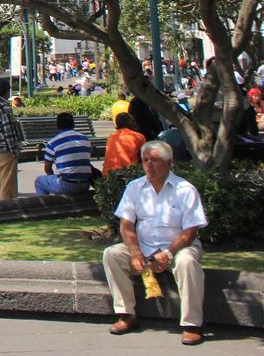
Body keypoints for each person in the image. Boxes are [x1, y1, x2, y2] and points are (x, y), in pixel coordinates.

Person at [102, 140, 207, 346]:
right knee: (112, 254)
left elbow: (190, 231)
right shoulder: (135, 187)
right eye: (145, 160)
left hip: (178, 247)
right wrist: (134, 252)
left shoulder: (185, 189)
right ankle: (126, 314)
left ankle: (192, 325)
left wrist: (168, 253)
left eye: (155, 160)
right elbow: (126, 225)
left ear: (169, 163)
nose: (149, 165)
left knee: (187, 261)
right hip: (144, 247)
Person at [34, 112, 92, 195]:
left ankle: (44, 207)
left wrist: (52, 177)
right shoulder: (86, 140)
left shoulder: (53, 142)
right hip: (86, 184)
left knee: (39, 181)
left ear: (57, 125)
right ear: (73, 124)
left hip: (66, 184)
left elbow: (47, 168)